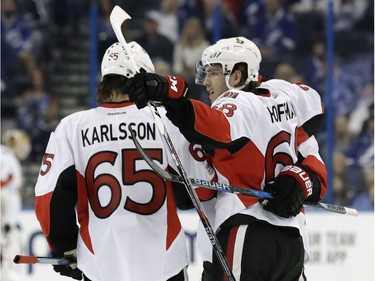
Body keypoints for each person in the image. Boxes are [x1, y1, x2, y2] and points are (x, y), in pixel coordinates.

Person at [124, 36, 328, 281]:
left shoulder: (237, 103)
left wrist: (172, 98)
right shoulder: (285, 95)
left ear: (237, 76)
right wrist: (301, 179)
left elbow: (215, 127)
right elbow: (314, 126)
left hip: (245, 230)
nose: (206, 82)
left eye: (213, 73)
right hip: (292, 242)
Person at [34, 41, 214, 281]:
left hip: (100, 265)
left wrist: (64, 246)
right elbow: (201, 188)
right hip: (165, 263)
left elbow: (48, 198)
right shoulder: (166, 120)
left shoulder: (72, 127)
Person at [1, 129, 31, 281]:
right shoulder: (11, 159)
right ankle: (9, 271)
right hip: (6, 198)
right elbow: (10, 183)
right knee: (10, 234)